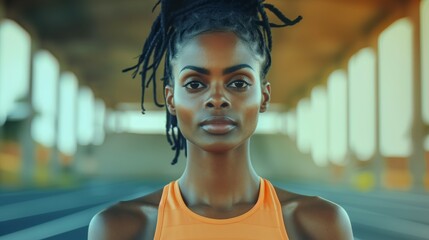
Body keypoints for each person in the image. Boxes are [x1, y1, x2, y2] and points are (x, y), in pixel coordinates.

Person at [88, 0, 354, 239]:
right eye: (194, 84)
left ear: (264, 96)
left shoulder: (319, 224)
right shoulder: (120, 228)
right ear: (171, 100)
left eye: (238, 82)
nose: (216, 98)